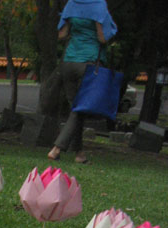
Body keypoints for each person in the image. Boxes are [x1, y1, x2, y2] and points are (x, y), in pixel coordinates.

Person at [47, 0, 118, 164]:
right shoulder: (99, 5)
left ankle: (79, 153)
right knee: (79, 109)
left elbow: (62, 34)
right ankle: (57, 148)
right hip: (88, 62)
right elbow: (102, 38)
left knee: (76, 109)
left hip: (69, 61)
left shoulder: (72, 4)